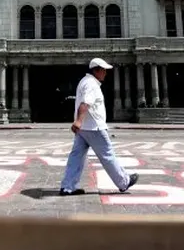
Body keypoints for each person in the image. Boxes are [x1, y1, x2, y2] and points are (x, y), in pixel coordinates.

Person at [59, 58, 139, 196]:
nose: (105, 73)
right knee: (107, 155)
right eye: (104, 70)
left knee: (76, 157)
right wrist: (78, 121)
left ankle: (68, 186)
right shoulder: (91, 85)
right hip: (94, 127)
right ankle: (124, 182)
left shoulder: (84, 81)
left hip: (84, 129)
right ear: (97, 70)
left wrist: (79, 123)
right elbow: (85, 104)